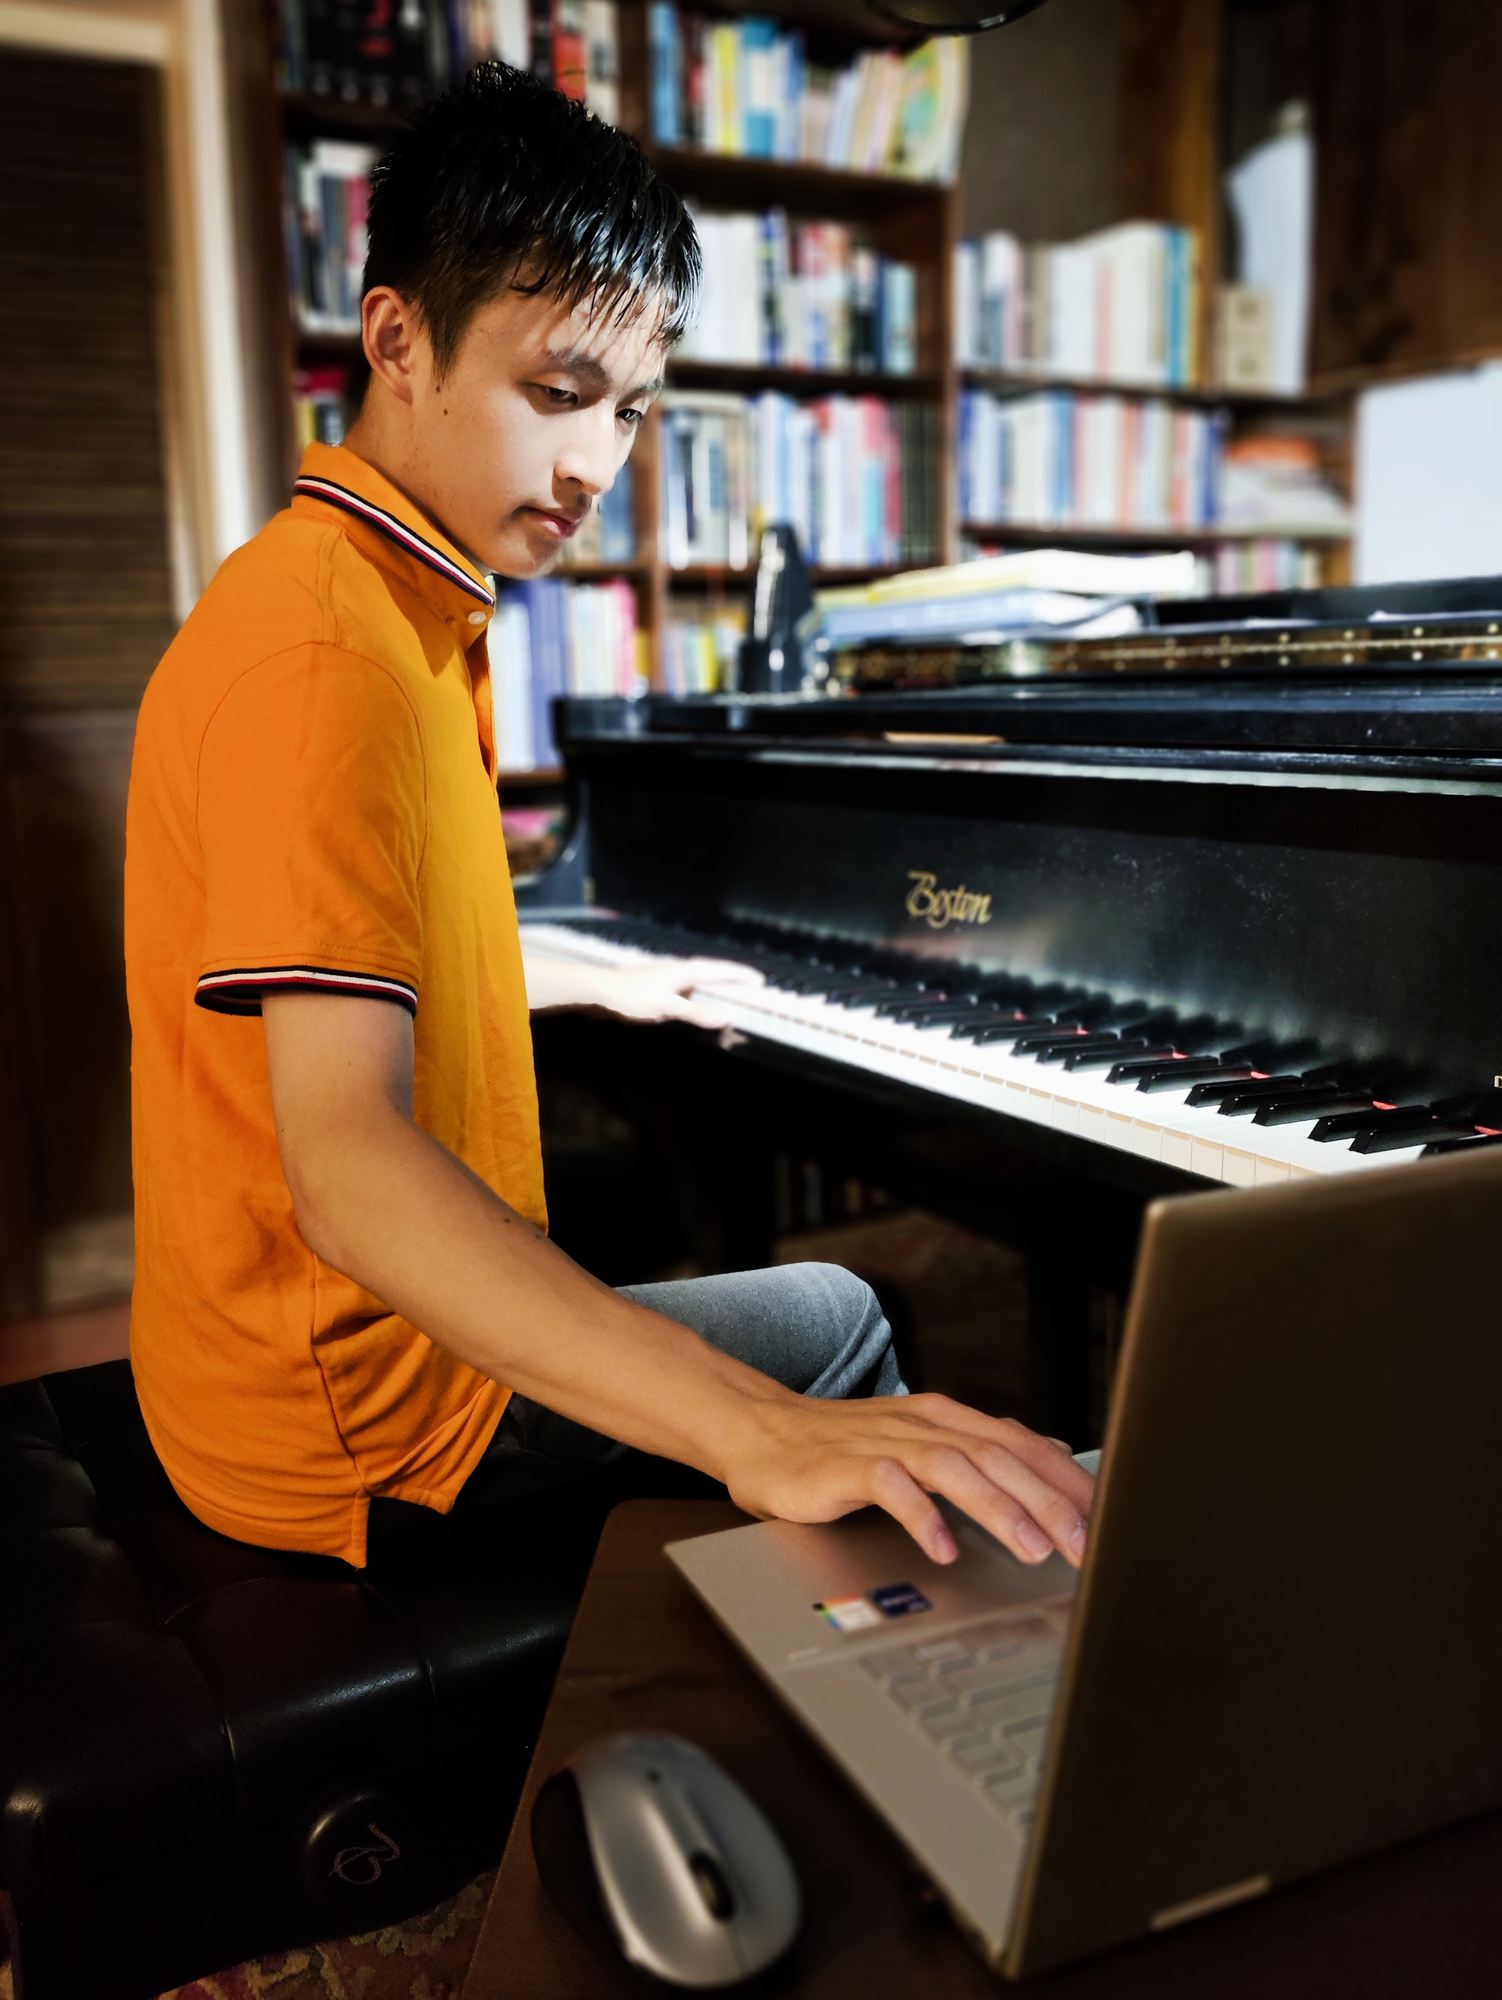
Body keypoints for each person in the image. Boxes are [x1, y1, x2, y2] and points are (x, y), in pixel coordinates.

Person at [124, 63, 1093, 1578]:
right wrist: (754, 1431)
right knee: (830, 1322)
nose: (595, 466)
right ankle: (895, 1725)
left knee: (736, 1304)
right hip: (364, 1416)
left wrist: (590, 977)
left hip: (266, 1365)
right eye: (556, 393)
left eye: (632, 412)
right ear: (397, 338)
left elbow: (346, 969)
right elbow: (347, 1164)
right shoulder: (329, 655)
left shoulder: (372, 595)